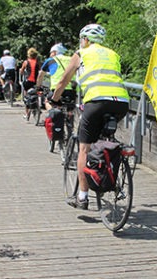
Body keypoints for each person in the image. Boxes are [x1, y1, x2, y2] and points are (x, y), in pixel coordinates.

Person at [50, 24, 129, 210]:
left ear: (85, 39)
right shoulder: (113, 54)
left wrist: (54, 98)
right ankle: (111, 177)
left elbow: (64, 80)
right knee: (104, 140)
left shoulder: (81, 53)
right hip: (121, 102)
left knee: (84, 148)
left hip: (96, 101)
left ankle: (83, 197)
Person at [37, 43, 76, 110]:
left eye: (51, 52)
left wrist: (38, 86)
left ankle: (51, 117)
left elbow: (41, 75)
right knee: (70, 105)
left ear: (55, 52)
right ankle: (70, 116)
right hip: (71, 89)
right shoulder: (71, 59)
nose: (50, 55)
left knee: (48, 101)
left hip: (56, 89)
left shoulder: (50, 60)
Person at [19, 47, 41, 118]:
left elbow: (21, 71)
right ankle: (38, 106)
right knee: (37, 92)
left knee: (26, 96)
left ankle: (27, 113)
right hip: (36, 81)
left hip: (28, 81)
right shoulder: (38, 62)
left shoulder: (26, 62)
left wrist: (22, 72)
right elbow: (40, 71)